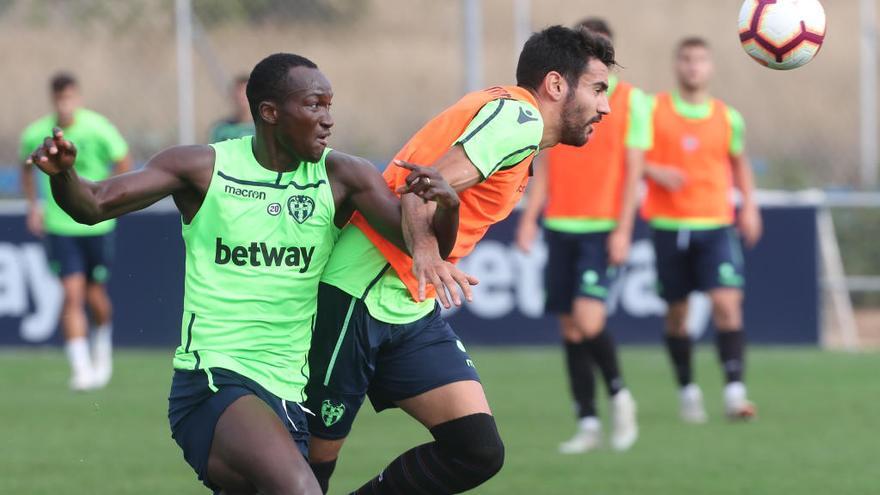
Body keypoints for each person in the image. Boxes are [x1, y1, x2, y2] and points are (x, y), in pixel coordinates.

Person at [25, 53, 463, 495]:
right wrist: (64, 176)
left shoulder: (343, 176)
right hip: (214, 380)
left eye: (330, 105)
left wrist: (449, 206)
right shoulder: (201, 168)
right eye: (314, 105)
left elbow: (427, 247)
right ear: (270, 113)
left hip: (290, 395)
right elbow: (94, 203)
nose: (328, 119)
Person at [304, 25, 615, 494]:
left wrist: (425, 260)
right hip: (359, 293)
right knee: (310, 468)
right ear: (556, 85)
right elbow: (421, 182)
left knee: (476, 450)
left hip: (408, 305)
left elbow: (435, 187)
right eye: (597, 89)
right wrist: (427, 252)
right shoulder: (520, 120)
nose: (605, 106)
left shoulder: (515, 122)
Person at [516, 17, 649, 454]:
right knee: (571, 328)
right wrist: (530, 218)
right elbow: (548, 165)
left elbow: (633, 171)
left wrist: (624, 228)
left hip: (602, 226)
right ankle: (588, 422)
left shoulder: (630, 103)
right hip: (560, 223)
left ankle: (621, 397)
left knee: (590, 319)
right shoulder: (563, 102)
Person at [642, 38, 761, 422]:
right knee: (677, 314)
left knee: (727, 305)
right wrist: (652, 170)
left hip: (715, 224)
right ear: (677, 66)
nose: (693, 67)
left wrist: (750, 206)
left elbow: (740, 164)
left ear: (710, 68)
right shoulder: (653, 110)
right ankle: (688, 390)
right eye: (687, 60)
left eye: (700, 61)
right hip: (668, 225)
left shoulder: (728, 117)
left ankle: (734, 393)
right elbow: (628, 158)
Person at [20, 72, 132, 391]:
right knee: (71, 294)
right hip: (60, 224)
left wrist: (110, 198)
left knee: (95, 295)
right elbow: (26, 168)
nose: (64, 104)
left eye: (69, 97)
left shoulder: (97, 128)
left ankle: (102, 345)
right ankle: (81, 368)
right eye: (59, 98)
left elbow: (123, 161)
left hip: (96, 223)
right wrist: (34, 205)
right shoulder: (37, 133)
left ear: (77, 98)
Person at [209, 74, 255, 143]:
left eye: (245, 92)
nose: (241, 96)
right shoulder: (222, 130)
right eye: (239, 92)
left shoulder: (266, 128)